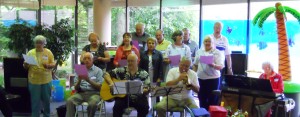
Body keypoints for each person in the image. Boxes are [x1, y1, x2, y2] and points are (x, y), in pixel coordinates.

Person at [23, 35, 55, 117]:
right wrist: (26, 64)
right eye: (37, 42)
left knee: (46, 100)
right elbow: (25, 67)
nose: (38, 44)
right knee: (35, 101)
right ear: (34, 43)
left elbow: (53, 64)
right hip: (34, 80)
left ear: (44, 43)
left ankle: (47, 115)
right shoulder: (30, 52)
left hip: (46, 80)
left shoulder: (48, 52)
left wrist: (48, 65)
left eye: (40, 43)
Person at [66, 52, 103, 117]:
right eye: (85, 58)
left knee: (92, 103)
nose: (86, 60)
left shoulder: (98, 71)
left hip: (94, 93)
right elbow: (76, 88)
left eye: (89, 58)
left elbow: (100, 87)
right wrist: (79, 80)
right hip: (81, 93)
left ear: (92, 60)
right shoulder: (80, 70)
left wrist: (88, 80)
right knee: (70, 101)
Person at [193, 36, 224, 110]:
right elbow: (195, 65)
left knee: (213, 100)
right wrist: (193, 76)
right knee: (202, 99)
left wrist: (213, 65)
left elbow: (221, 66)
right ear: (203, 43)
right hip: (201, 79)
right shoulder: (199, 52)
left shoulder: (217, 52)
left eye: (209, 41)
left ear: (213, 43)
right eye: (206, 41)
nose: (207, 43)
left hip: (213, 79)